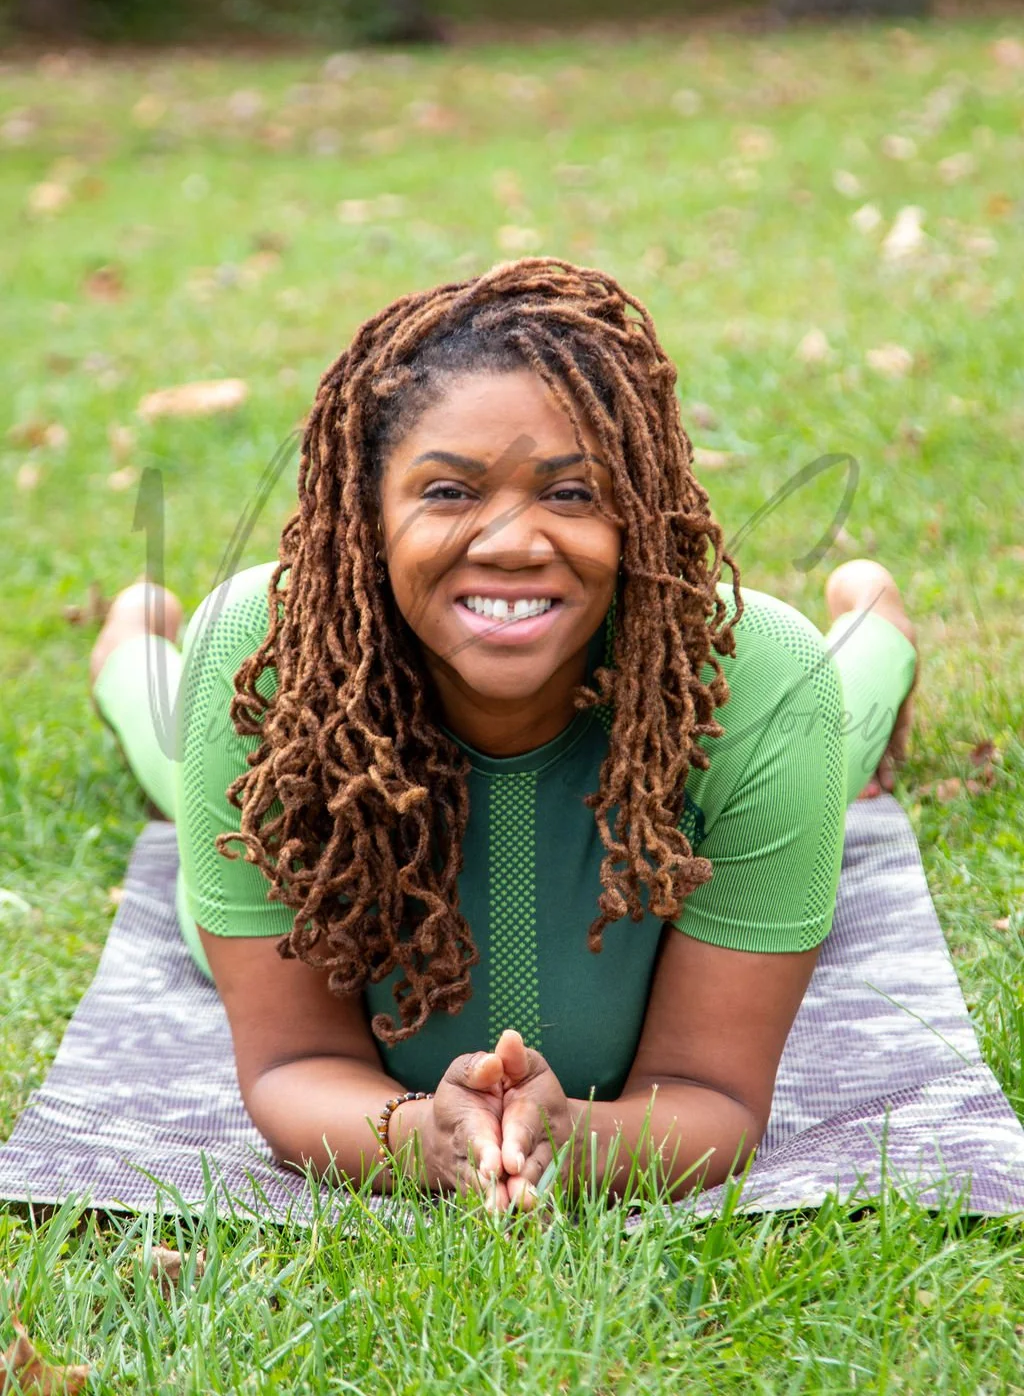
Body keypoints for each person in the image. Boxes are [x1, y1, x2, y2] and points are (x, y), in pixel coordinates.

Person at [89, 258, 917, 1211]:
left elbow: (715, 1096)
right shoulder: (274, 669)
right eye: (447, 492)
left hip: (762, 707)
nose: (514, 542)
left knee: (833, 733)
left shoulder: (760, 686)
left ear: (636, 515)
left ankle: (875, 625)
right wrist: (420, 1142)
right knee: (180, 760)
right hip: (282, 726)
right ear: (369, 517)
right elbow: (294, 1061)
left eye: (571, 495)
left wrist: (579, 1144)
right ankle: (130, 649)